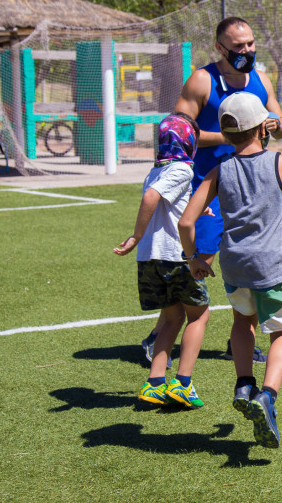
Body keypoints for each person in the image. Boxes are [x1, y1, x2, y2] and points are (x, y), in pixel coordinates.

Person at [179, 91, 282, 448]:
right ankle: (267, 396)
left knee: (241, 322)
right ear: (265, 127)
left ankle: (243, 382)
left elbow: (187, 222)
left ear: (226, 133)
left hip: (234, 266)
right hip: (272, 267)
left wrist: (195, 260)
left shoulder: (219, 171)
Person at [141, 16, 282, 363]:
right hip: (207, 185)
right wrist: (234, 134)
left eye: (250, 44)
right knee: (199, 260)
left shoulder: (261, 79)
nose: (247, 51)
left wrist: (274, 124)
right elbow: (178, 132)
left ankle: (243, 339)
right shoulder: (202, 80)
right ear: (220, 48)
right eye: (239, 46)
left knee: (251, 260)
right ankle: (157, 336)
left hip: (250, 187)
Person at [114, 113, 210, 408]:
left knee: (172, 317)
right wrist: (135, 236)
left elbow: (168, 203)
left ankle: (154, 383)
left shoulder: (155, 171)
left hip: (151, 261)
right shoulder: (183, 169)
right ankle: (183, 383)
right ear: (189, 141)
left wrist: (197, 209)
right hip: (175, 258)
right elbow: (152, 199)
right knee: (199, 315)